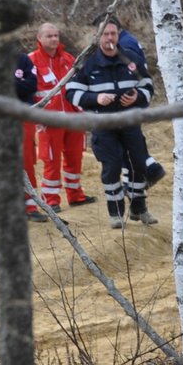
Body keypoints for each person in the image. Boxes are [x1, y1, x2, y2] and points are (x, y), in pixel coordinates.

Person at [68, 20, 157, 228]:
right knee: (112, 167)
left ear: (118, 35)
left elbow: (148, 85)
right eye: (106, 34)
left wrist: (138, 98)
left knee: (138, 163)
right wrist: (95, 99)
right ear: (98, 37)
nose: (110, 38)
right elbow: (71, 92)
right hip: (103, 124)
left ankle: (139, 208)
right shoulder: (87, 61)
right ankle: (116, 213)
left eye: (113, 34)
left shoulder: (131, 58)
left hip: (130, 121)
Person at [29, 23, 94, 210]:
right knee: (51, 160)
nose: (54, 39)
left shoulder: (68, 59)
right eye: (49, 36)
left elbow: (81, 84)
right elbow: (28, 92)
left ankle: (75, 195)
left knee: (75, 158)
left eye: (56, 35)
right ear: (39, 38)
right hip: (49, 120)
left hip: (73, 117)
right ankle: (51, 200)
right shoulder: (31, 61)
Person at [106, 16, 167, 189]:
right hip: (130, 99)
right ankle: (137, 176)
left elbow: (131, 72)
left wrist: (133, 95)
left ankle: (150, 170)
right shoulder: (126, 40)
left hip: (129, 100)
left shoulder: (126, 44)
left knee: (129, 142)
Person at [11, 49, 44, 220]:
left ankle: (30, 206)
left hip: (24, 115)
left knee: (27, 159)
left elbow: (31, 85)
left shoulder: (23, 59)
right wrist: (17, 82)